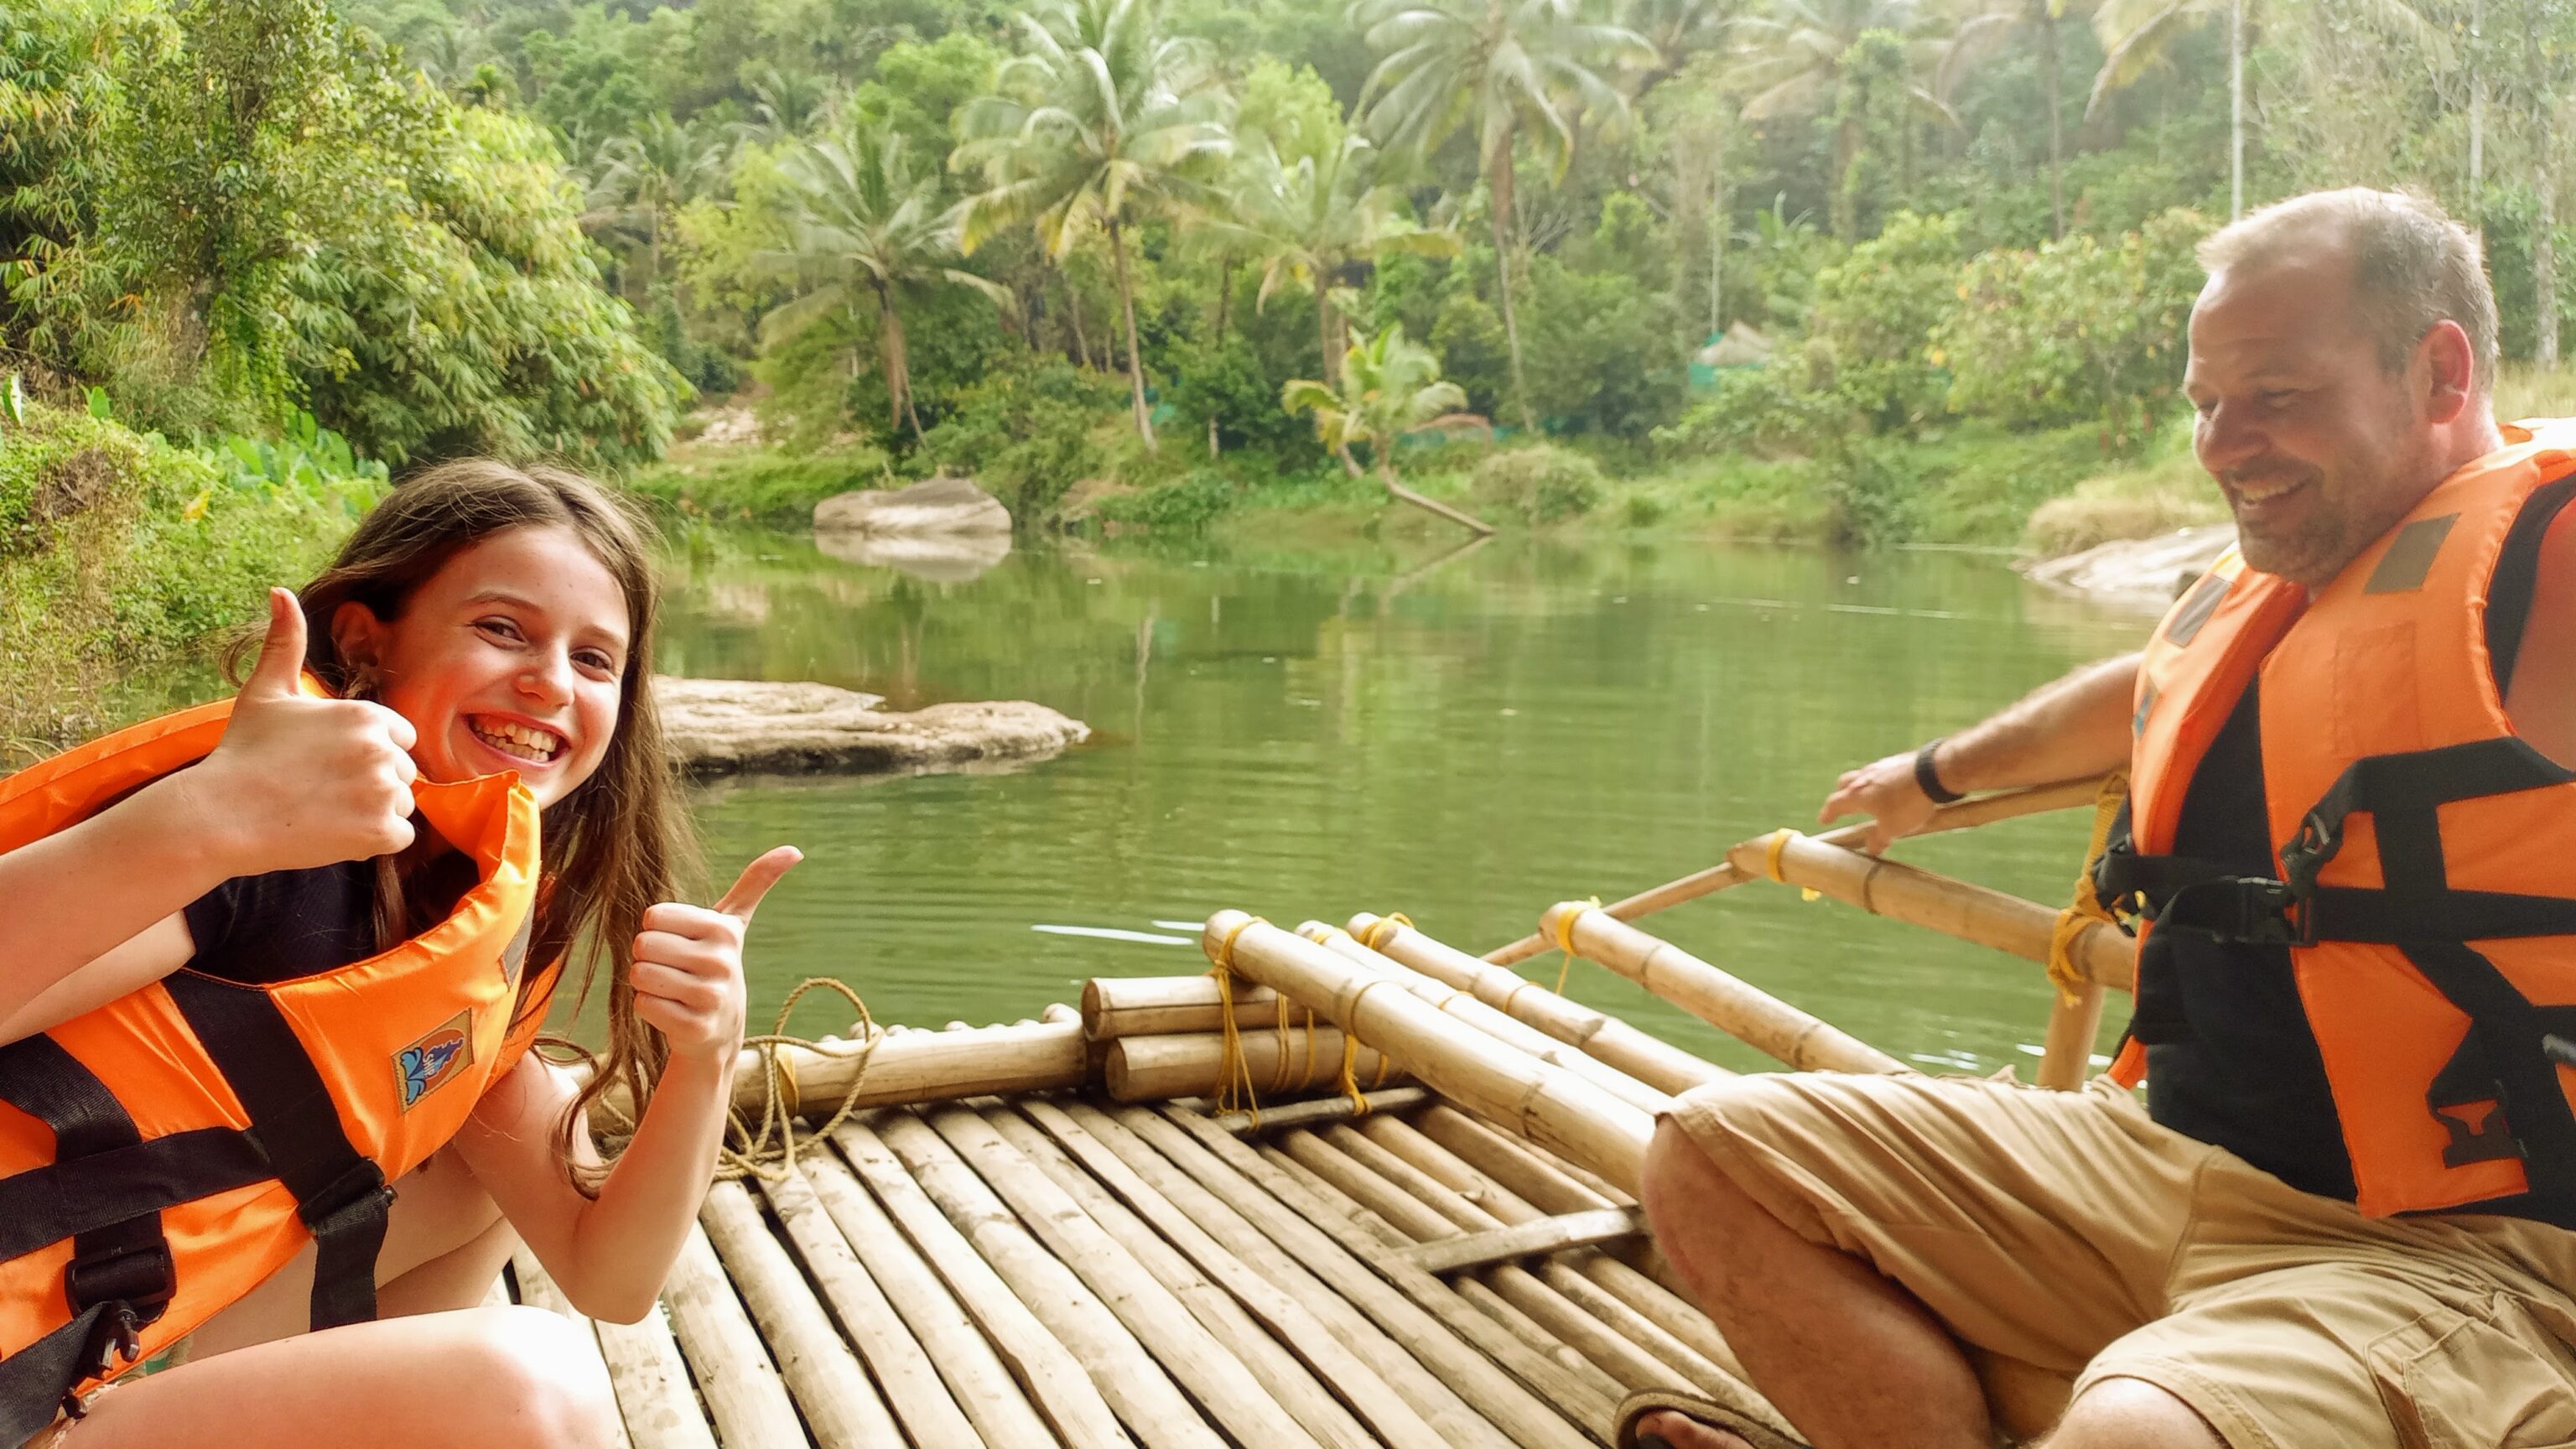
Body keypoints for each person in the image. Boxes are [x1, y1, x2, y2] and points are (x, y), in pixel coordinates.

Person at [1628, 188, 2576, 1449]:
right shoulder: (2289, 575)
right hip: (2162, 1164)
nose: (2224, 443)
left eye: (2277, 394)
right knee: (1714, 1155)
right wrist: (1934, 776)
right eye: (2205, 404)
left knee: (2134, 1431)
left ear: (2442, 372)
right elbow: (2155, 683)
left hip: (2446, 1253)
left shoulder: (2549, 558)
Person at [0, 460, 799, 1447]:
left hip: (54, 1392)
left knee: (472, 1173)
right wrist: (202, 821)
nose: (550, 681)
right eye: (502, 629)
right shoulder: (252, 832)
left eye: (596, 661)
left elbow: (612, 1276)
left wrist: (705, 1056)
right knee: (532, 1383)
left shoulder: (461, 932)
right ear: (367, 642)